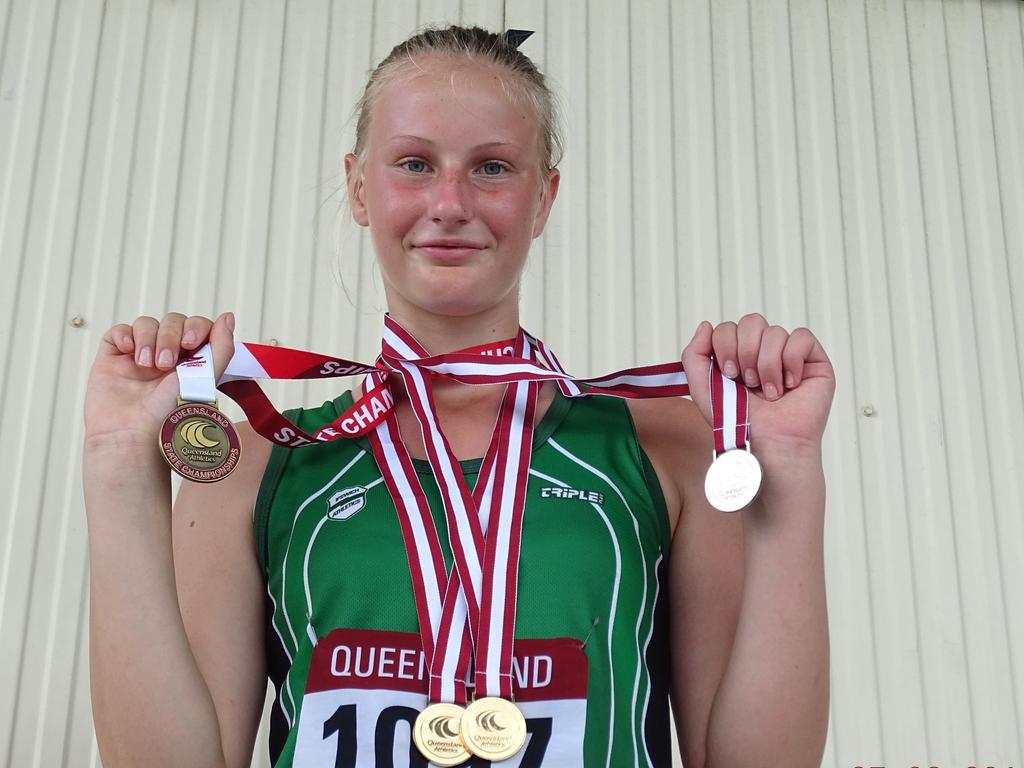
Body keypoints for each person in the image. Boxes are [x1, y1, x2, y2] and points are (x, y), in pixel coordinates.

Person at [83, 25, 834, 768]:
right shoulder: (262, 456)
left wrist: (790, 472)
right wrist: (118, 469)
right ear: (357, 187)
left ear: (543, 198)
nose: (450, 201)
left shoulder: (663, 445)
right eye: (413, 163)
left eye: (493, 168)